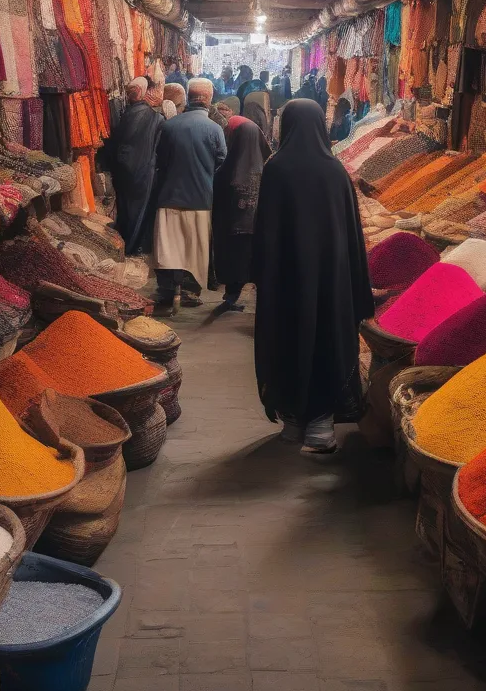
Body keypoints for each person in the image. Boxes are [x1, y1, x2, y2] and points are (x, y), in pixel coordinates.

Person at [252, 99, 374, 455]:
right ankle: (321, 425)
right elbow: (352, 235)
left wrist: (261, 272)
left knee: (286, 338)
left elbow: (264, 230)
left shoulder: (276, 169)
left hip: (285, 282)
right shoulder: (335, 172)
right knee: (327, 338)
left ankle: (293, 421)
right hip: (329, 283)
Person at [152, 77, 227, 313]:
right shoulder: (215, 129)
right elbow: (221, 162)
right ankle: (189, 291)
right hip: (200, 198)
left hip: (169, 195)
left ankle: (166, 289)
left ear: (189, 96)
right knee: (194, 247)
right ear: (208, 99)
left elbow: (160, 160)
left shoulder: (169, 126)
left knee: (168, 246)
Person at [213, 116, 270, 313]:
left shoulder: (228, 168)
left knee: (235, 260)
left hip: (233, 228)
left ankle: (231, 295)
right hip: (257, 226)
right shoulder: (268, 168)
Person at [108, 77, 164, 256]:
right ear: (144, 92)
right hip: (143, 172)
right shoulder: (154, 117)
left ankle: (125, 244)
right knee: (138, 211)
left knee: (125, 210)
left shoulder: (125, 114)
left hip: (122, 172)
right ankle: (132, 247)